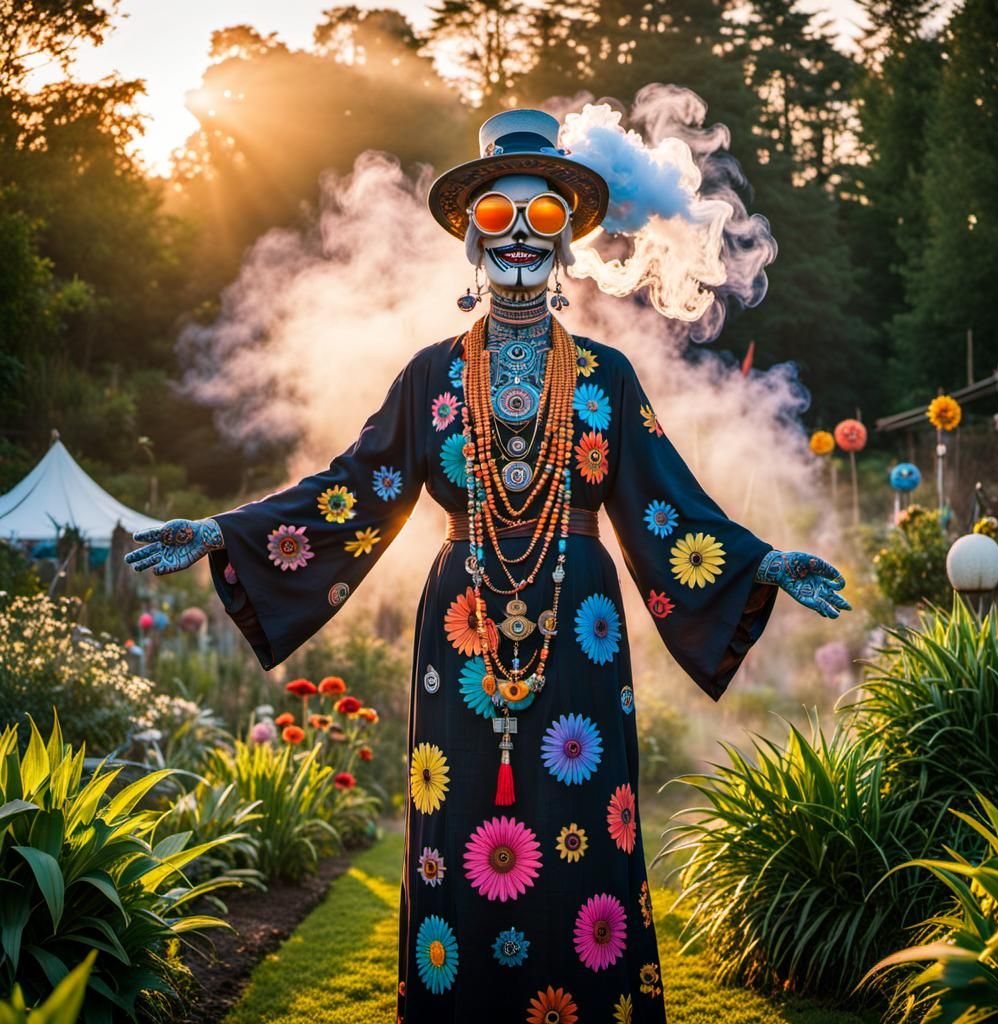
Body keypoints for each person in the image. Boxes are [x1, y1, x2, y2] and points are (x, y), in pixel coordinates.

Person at [127, 109, 850, 1024]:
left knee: (585, 828)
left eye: (543, 218)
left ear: (567, 243)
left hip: (580, 629)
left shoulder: (606, 377)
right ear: (470, 239)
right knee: (460, 823)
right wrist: (223, 533)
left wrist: (763, 562)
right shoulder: (431, 375)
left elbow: (667, 501)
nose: (518, 233)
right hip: (457, 629)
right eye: (499, 218)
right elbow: (354, 488)